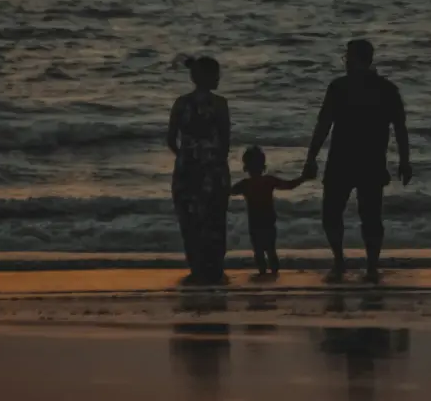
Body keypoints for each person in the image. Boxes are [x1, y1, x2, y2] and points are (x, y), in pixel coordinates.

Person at [303, 39, 412, 283]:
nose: (346, 62)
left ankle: (342, 263)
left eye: (348, 57)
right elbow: (400, 128)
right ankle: (367, 266)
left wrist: (311, 157)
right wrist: (405, 161)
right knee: (368, 216)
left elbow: (323, 124)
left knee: (335, 214)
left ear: (356, 59)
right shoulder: (386, 89)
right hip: (368, 160)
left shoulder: (341, 87)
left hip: (344, 159)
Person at [166, 56, 231, 285]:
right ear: (205, 76)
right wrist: (213, 158)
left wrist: (187, 155)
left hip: (187, 167)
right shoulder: (220, 104)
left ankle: (196, 270)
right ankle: (216, 270)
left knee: (190, 220)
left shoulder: (181, 103)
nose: (219, 78)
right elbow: (225, 140)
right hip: (214, 168)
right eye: (216, 74)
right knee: (215, 219)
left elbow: (171, 139)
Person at [231, 145, 309, 276]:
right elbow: (289, 185)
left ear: (245, 167)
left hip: (255, 223)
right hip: (268, 222)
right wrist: (303, 178)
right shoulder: (268, 181)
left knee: (259, 252)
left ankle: (263, 273)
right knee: (271, 250)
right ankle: (274, 274)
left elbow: (227, 191)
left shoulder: (245, 184)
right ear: (263, 166)